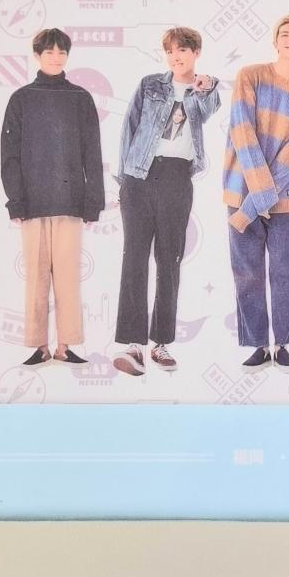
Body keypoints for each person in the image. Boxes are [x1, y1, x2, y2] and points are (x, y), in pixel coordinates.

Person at [111, 27, 220, 376]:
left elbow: (208, 109)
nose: (176, 57)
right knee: (134, 258)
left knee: (169, 260)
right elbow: (129, 128)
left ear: (196, 53)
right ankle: (133, 345)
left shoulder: (204, 90)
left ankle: (161, 343)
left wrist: (206, 86)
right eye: (171, 51)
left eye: (183, 50)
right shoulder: (149, 85)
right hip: (139, 176)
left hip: (177, 177)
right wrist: (123, 179)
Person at [223, 15, 289, 374]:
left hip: (284, 197)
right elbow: (242, 132)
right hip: (240, 189)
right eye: (285, 34)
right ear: (275, 42)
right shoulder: (250, 76)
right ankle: (257, 346)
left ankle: (282, 345)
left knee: (285, 272)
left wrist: (254, 205)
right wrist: (252, 200)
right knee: (247, 273)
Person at [0, 27, 104, 367]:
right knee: (36, 277)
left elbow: (92, 153)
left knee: (68, 277)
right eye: (49, 52)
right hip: (31, 203)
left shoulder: (80, 98)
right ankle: (39, 345)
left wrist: (93, 202)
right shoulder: (21, 99)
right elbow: (9, 154)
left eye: (62, 52)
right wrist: (15, 200)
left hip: (70, 201)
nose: (56, 58)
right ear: (37, 55)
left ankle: (65, 345)